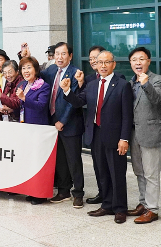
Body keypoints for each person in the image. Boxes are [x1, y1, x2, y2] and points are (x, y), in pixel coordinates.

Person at [62, 50, 133, 224]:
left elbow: (127, 116)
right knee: (102, 172)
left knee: (117, 173)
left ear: (113, 64)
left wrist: (124, 138)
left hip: (116, 136)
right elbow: (79, 102)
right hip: (95, 134)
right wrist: (67, 91)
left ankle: (120, 208)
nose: (102, 66)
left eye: (106, 62)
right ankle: (107, 204)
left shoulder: (122, 85)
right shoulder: (92, 84)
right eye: (99, 62)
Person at [126, 47, 161, 224]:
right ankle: (143, 204)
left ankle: (153, 209)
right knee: (139, 172)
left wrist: (146, 84)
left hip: (151, 132)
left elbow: (159, 102)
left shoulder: (157, 80)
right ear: (130, 63)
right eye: (134, 59)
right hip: (134, 133)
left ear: (149, 61)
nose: (138, 63)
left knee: (151, 173)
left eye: (141, 59)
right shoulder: (130, 82)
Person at [41, 42, 85, 209]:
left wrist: (63, 121)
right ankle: (64, 190)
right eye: (56, 54)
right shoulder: (51, 70)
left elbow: (73, 102)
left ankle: (78, 193)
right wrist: (22, 57)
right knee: (59, 159)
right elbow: (34, 74)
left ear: (70, 56)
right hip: (53, 123)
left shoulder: (75, 73)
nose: (59, 57)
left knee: (73, 160)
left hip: (70, 124)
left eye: (63, 54)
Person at [15, 56, 51, 204]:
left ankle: (41, 194)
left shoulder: (44, 86)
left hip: (38, 128)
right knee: (29, 160)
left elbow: (41, 106)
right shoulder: (23, 84)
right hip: (26, 127)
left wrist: (24, 98)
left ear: (36, 69)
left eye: (29, 67)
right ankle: (31, 191)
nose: (26, 71)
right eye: (23, 68)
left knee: (39, 161)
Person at [84, 45, 106, 205]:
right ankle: (102, 193)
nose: (93, 61)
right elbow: (80, 100)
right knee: (97, 164)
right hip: (94, 129)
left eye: (96, 58)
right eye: (91, 58)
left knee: (110, 166)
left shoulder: (119, 79)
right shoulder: (89, 80)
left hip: (110, 130)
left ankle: (112, 197)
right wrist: (69, 91)